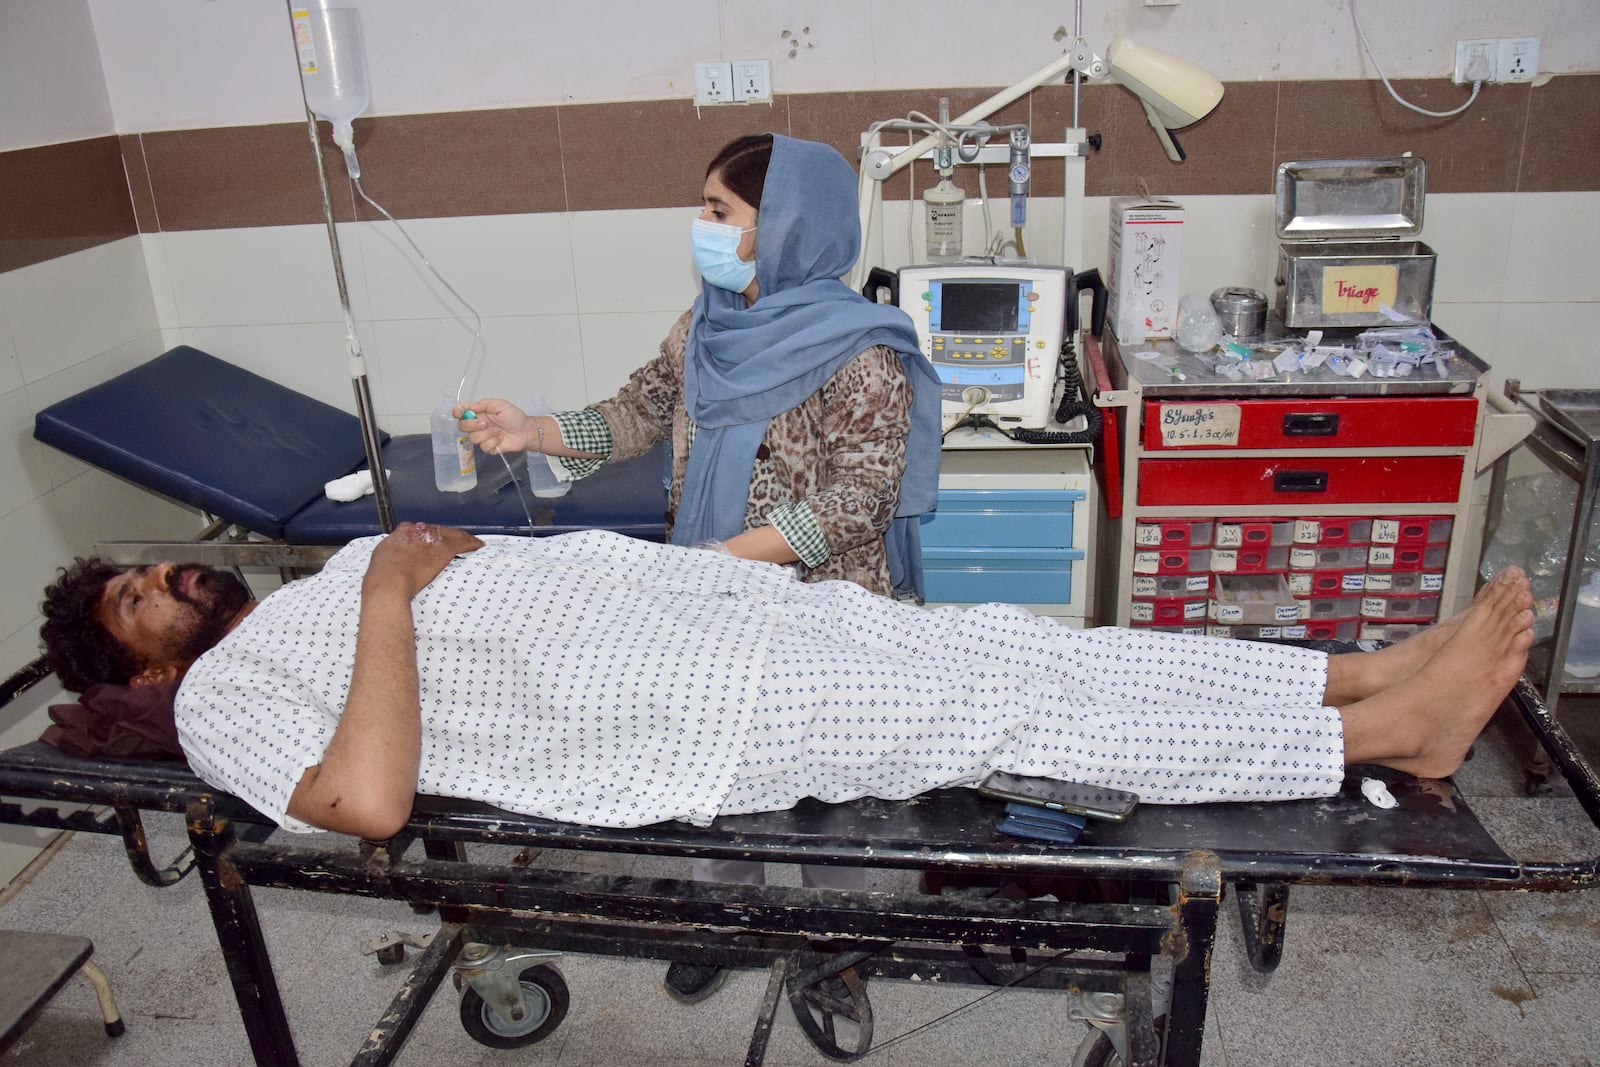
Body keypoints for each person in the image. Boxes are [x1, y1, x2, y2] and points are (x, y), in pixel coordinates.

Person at [43, 523, 1533, 838]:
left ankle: (1352, 678)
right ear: (134, 664)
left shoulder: (311, 571)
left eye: (154, 561)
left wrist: (740, 564)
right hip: (684, 718)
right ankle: (1382, 737)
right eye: (136, 596)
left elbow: (565, 557)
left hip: (729, 625)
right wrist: (384, 589)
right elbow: (362, 796)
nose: (168, 576)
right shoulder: (224, 697)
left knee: (1034, 645)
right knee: (1023, 712)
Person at [454, 131, 943, 998]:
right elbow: (636, 410)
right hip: (707, 594)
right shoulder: (707, 325)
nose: (702, 225)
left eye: (720, 211)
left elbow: (857, 499)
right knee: (713, 769)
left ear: (786, 225)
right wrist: (532, 430)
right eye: (704, 207)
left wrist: (729, 560)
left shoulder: (862, 349)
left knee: (820, 794)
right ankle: (725, 922)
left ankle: (832, 948)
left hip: (816, 608)